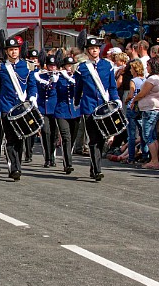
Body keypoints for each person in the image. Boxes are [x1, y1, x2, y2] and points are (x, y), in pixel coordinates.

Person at [74, 37, 121, 181]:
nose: (94, 50)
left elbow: (112, 86)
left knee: (101, 139)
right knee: (93, 138)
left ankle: (94, 166)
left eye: (96, 48)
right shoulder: (82, 68)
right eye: (91, 49)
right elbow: (78, 88)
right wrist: (76, 102)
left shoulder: (107, 65)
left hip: (104, 106)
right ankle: (97, 169)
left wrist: (116, 99)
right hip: (89, 106)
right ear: (87, 51)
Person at [0, 37, 37, 181]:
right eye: (11, 50)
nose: (14, 52)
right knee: (10, 138)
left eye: (16, 49)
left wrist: (32, 97)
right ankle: (14, 167)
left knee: (20, 138)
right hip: (6, 106)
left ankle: (16, 163)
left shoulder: (27, 66)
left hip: (22, 107)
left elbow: (32, 85)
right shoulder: (1, 68)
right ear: (6, 51)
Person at [129, 57, 159, 170]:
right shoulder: (158, 78)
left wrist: (134, 100)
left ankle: (154, 161)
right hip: (153, 108)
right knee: (152, 135)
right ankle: (154, 159)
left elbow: (142, 93)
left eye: (148, 65)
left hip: (150, 109)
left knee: (147, 135)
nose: (146, 68)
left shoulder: (152, 79)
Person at [54, 56, 79, 174]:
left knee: (72, 138)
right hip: (61, 111)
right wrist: (53, 80)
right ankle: (68, 163)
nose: (70, 68)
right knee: (66, 137)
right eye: (68, 66)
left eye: (72, 66)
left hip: (75, 111)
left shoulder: (77, 78)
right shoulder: (58, 78)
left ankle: (69, 155)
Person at [35, 55, 58, 168]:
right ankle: (47, 157)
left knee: (53, 134)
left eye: (54, 66)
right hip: (43, 108)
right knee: (45, 132)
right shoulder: (40, 76)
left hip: (55, 109)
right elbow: (39, 89)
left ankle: (52, 156)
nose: (52, 68)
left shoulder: (60, 76)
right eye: (50, 66)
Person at [125, 60, 146, 164]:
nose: (130, 70)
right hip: (141, 107)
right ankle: (145, 155)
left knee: (131, 134)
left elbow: (131, 93)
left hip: (132, 107)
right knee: (143, 132)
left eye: (131, 68)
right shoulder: (145, 80)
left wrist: (127, 100)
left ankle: (131, 157)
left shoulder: (133, 80)